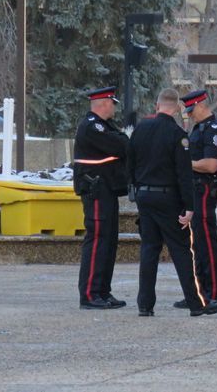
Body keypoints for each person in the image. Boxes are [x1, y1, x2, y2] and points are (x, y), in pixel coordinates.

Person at [127, 88, 217, 317]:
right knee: (181, 250)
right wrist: (189, 207)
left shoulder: (140, 129)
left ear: (157, 105)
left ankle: (145, 304)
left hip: (144, 196)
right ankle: (196, 303)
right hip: (167, 198)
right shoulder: (177, 134)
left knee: (149, 250)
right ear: (177, 108)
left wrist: (135, 189)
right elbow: (183, 174)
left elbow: (129, 162)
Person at [172, 89, 217, 309]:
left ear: (202, 105)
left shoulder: (212, 131)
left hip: (204, 189)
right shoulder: (198, 130)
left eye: (192, 110)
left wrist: (185, 163)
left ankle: (215, 293)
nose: (190, 115)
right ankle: (199, 292)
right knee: (196, 244)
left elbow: (212, 164)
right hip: (195, 190)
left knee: (206, 243)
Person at [73, 86, 129, 309]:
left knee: (108, 241)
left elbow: (122, 143)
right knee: (97, 240)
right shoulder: (92, 126)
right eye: (112, 103)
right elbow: (122, 144)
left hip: (106, 189)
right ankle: (89, 294)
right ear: (104, 103)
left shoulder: (104, 125)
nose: (114, 107)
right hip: (96, 190)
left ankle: (102, 291)